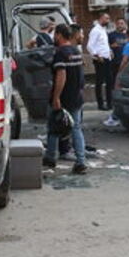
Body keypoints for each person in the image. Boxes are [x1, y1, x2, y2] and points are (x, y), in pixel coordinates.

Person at [43, 24, 87, 174]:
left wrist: (56, 97)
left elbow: (61, 76)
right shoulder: (76, 51)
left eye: (56, 34)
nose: (54, 37)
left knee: (54, 127)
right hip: (77, 97)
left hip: (64, 98)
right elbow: (81, 75)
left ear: (60, 35)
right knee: (76, 129)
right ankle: (81, 161)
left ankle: (50, 158)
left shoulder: (60, 53)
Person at [87, 12, 114, 111]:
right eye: (106, 18)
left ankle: (110, 103)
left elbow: (103, 44)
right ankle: (100, 104)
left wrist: (110, 51)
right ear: (101, 18)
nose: (108, 21)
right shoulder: (95, 30)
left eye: (109, 19)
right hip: (100, 59)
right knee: (99, 82)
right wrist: (97, 55)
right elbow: (90, 46)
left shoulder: (103, 30)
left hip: (107, 58)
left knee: (109, 81)